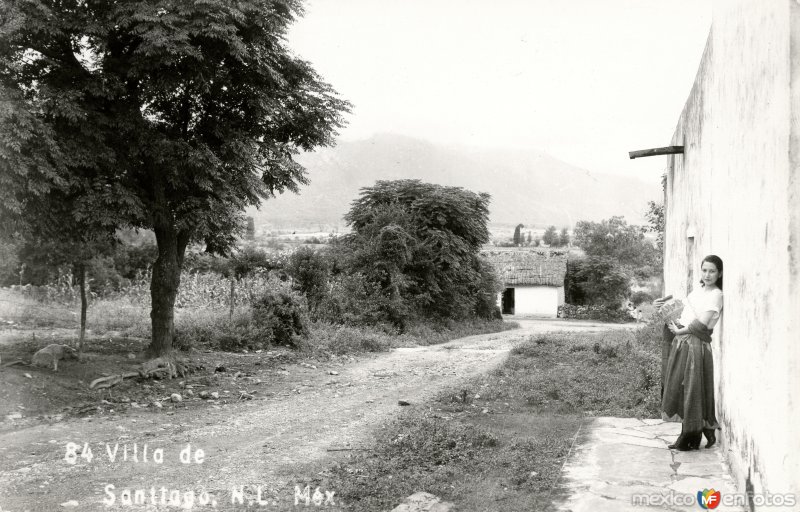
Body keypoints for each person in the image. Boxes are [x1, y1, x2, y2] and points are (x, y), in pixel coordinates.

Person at [653, 255, 723, 451]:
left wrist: (679, 331)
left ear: (720, 273)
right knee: (683, 388)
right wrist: (661, 308)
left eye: (712, 271)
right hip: (684, 342)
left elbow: (701, 323)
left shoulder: (716, 295)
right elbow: (682, 312)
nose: (707, 275)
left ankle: (690, 434)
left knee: (693, 389)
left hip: (696, 345)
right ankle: (693, 431)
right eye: (705, 270)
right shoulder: (698, 291)